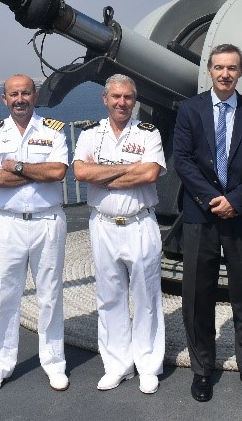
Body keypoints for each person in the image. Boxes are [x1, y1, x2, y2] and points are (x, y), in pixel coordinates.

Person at [172, 44, 242, 403]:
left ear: (241, 71)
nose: (225, 74)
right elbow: (181, 159)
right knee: (198, 296)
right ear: (209, 71)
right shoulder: (189, 110)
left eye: (232, 68)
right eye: (218, 68)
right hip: (201, 215)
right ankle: (202, 370)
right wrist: (211, 199)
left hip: (241, 215)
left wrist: (236, 199)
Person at [73, 74, 167, 395]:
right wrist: (130, 169)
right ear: (105, 99)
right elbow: (81, 172)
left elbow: (151, 172)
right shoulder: (89, 135)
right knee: (109, 296)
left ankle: (148, 365)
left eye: (127, 97)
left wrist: (105, 175)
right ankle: (117, 365)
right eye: (116, 97)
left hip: (140, 224)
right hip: (103, 225)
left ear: (134, 100)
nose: (122, 102)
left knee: (146, 297)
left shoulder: (148, 133)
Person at [0, 74, 70, 394]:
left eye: (26, 93)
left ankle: (54, 363)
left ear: (35, 96)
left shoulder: (53, 131)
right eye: (14, 94)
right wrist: (36, 172)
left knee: (50, 295)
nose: (20, 99)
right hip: (9, 223)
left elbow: (58, 172)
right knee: (6, 295)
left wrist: (16, 167)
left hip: (48, 222)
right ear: (5, 99)